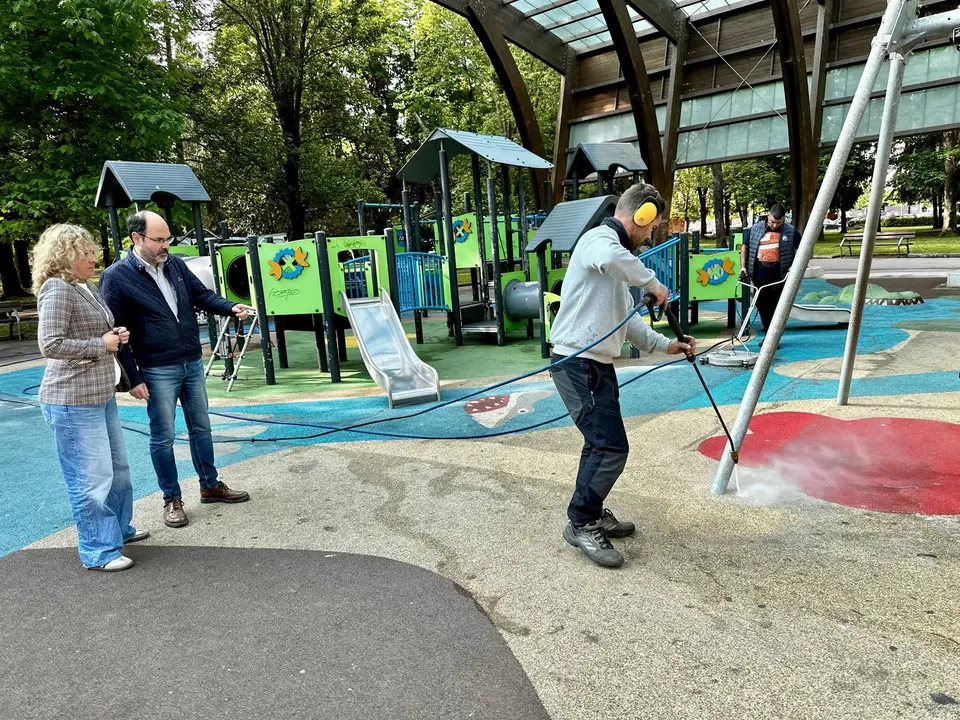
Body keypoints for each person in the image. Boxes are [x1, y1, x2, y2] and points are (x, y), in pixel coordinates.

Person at [548, 183, 696, 569]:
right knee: (611, 448)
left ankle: (589, 512)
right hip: (577, 363)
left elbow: (629, 323)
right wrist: (653, 283)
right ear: (640, 215)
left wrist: (668, 345)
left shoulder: (616, 264)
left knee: (599, 444)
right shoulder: (599, 242)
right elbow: (612, 257)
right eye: (651, 226)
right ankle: (582, 522)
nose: (651, 234)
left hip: (595, 364)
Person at [99, 211, 255, 529]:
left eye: (167, 238)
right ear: (136, 238)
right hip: (156, 368)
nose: (165, 245)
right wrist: (133, 378)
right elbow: (115, 331)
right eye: (158, 240)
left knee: (202, 428)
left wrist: (230, 307)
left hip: (191, 361)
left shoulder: (175, 265)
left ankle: (209, 485)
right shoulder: (116, 277)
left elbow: (201, 295)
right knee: (163, 436)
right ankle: (171, 498)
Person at [33, 224, 147, 572]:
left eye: (92, 251)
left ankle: (118, 530)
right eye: (84, 253)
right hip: (72, 399)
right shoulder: (57, 288)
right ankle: (99, 550)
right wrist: (101, 344)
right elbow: (50, 344)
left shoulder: (84, 287)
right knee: (90, 477)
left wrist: (114, 334)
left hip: (99, 395)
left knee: (118, 471)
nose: (92, 258)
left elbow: (90, 332)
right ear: (64, 256)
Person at [740, 203, 800, 347]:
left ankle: (773, 339)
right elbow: (745, 247)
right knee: (762, 307)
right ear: (768, 216)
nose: (774, 225)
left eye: (778, 222)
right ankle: (769, 334)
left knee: (776, 309)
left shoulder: (791, 231)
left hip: (780, 277)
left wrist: (795, 268)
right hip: (759, 276)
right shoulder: (755, 229)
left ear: (784, 219)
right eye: (772, 221)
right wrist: (743, 267)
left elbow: (804, 249)